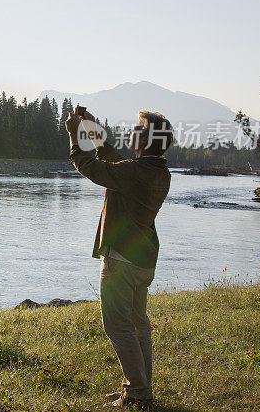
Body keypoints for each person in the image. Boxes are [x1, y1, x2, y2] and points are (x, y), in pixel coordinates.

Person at [65, 109, 173, 410]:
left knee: (118, 326)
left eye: (139, 127)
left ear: (146, 139)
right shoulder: (157, 171)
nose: (132, 130)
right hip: (143, 260)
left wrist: (75, 134)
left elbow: (89, 166)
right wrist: (91, 128)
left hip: (121, 259)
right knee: (139, 325)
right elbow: (112, 158)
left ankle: (137, 391)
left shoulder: (134, 173)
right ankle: (139, 386)